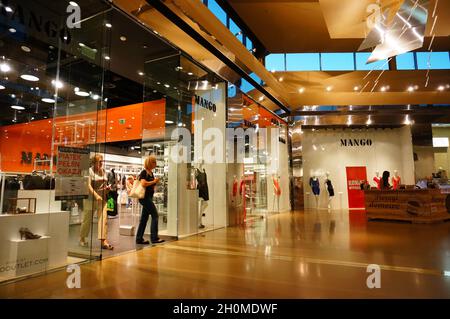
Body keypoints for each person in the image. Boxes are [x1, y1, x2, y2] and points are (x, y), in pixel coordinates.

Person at [79, 154, 114, 250]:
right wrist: (96, 195)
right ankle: (82, 238)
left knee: (103, 220)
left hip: (103, 198)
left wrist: (107, 188)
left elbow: (105, 183)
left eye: (102, 161)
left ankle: (104, 241)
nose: (101, 163)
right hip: (91, 199)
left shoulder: (103, 171)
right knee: (87, 219)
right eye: (100, 161)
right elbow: (88, 186)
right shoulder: (89, 171)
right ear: (94, 162)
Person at [136, 155, 165, 245]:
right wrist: (154, 182)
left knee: (144, 218)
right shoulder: (144, 172)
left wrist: (154, 184)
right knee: (155, 215)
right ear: (150, 163)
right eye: (154, 162)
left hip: (148, 197)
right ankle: (154, 238)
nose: (155, 164)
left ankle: (139, 238)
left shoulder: (151, 173)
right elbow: (143, 183)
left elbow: (149, 185)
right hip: (144, 198)